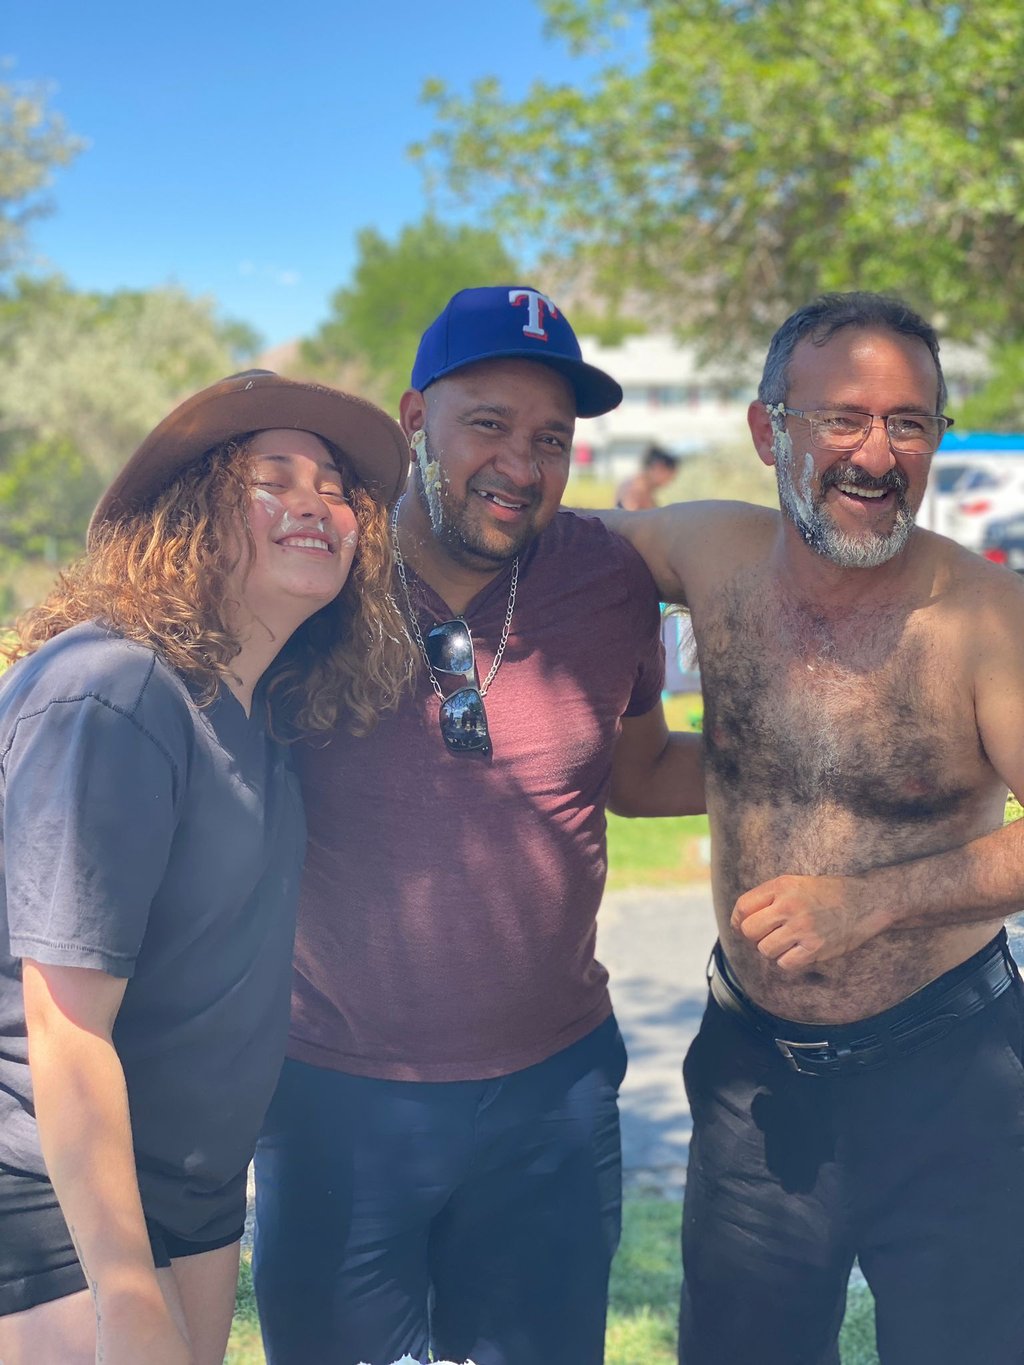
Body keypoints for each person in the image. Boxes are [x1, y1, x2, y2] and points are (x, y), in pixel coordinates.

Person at [252, 285, 706, 1365]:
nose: (522, 463)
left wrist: (837, 771)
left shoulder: (607, 583)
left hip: (551, 1097)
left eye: (552, 437)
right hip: (334, 1097)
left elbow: (636, 776)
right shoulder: (317, 581)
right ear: (415, 422)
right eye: (488, 426)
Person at [599, 292, 1024, 1365]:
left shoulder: (983, 617)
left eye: (909, 423)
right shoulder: (706, 554)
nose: (875, 454)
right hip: (753, 1086)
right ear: (766, 429)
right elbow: (536, 550)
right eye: (841, 418)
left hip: (955, 1086)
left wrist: (872, 900)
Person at [0, 370, 414, 1365]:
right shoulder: (114, 689)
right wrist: (128, 1294)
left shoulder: (258, 711)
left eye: (334, 486)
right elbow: (63, 1026)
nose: (317, 500)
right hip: (53, 1197)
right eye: (273, 478)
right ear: (193, 515)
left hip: (193, 1193)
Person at [615, 443, 680, 510]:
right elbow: (632, 517)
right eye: (670, 477)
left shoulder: (634, 483)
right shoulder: (638, 489)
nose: (669, 482)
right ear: (659, 467)